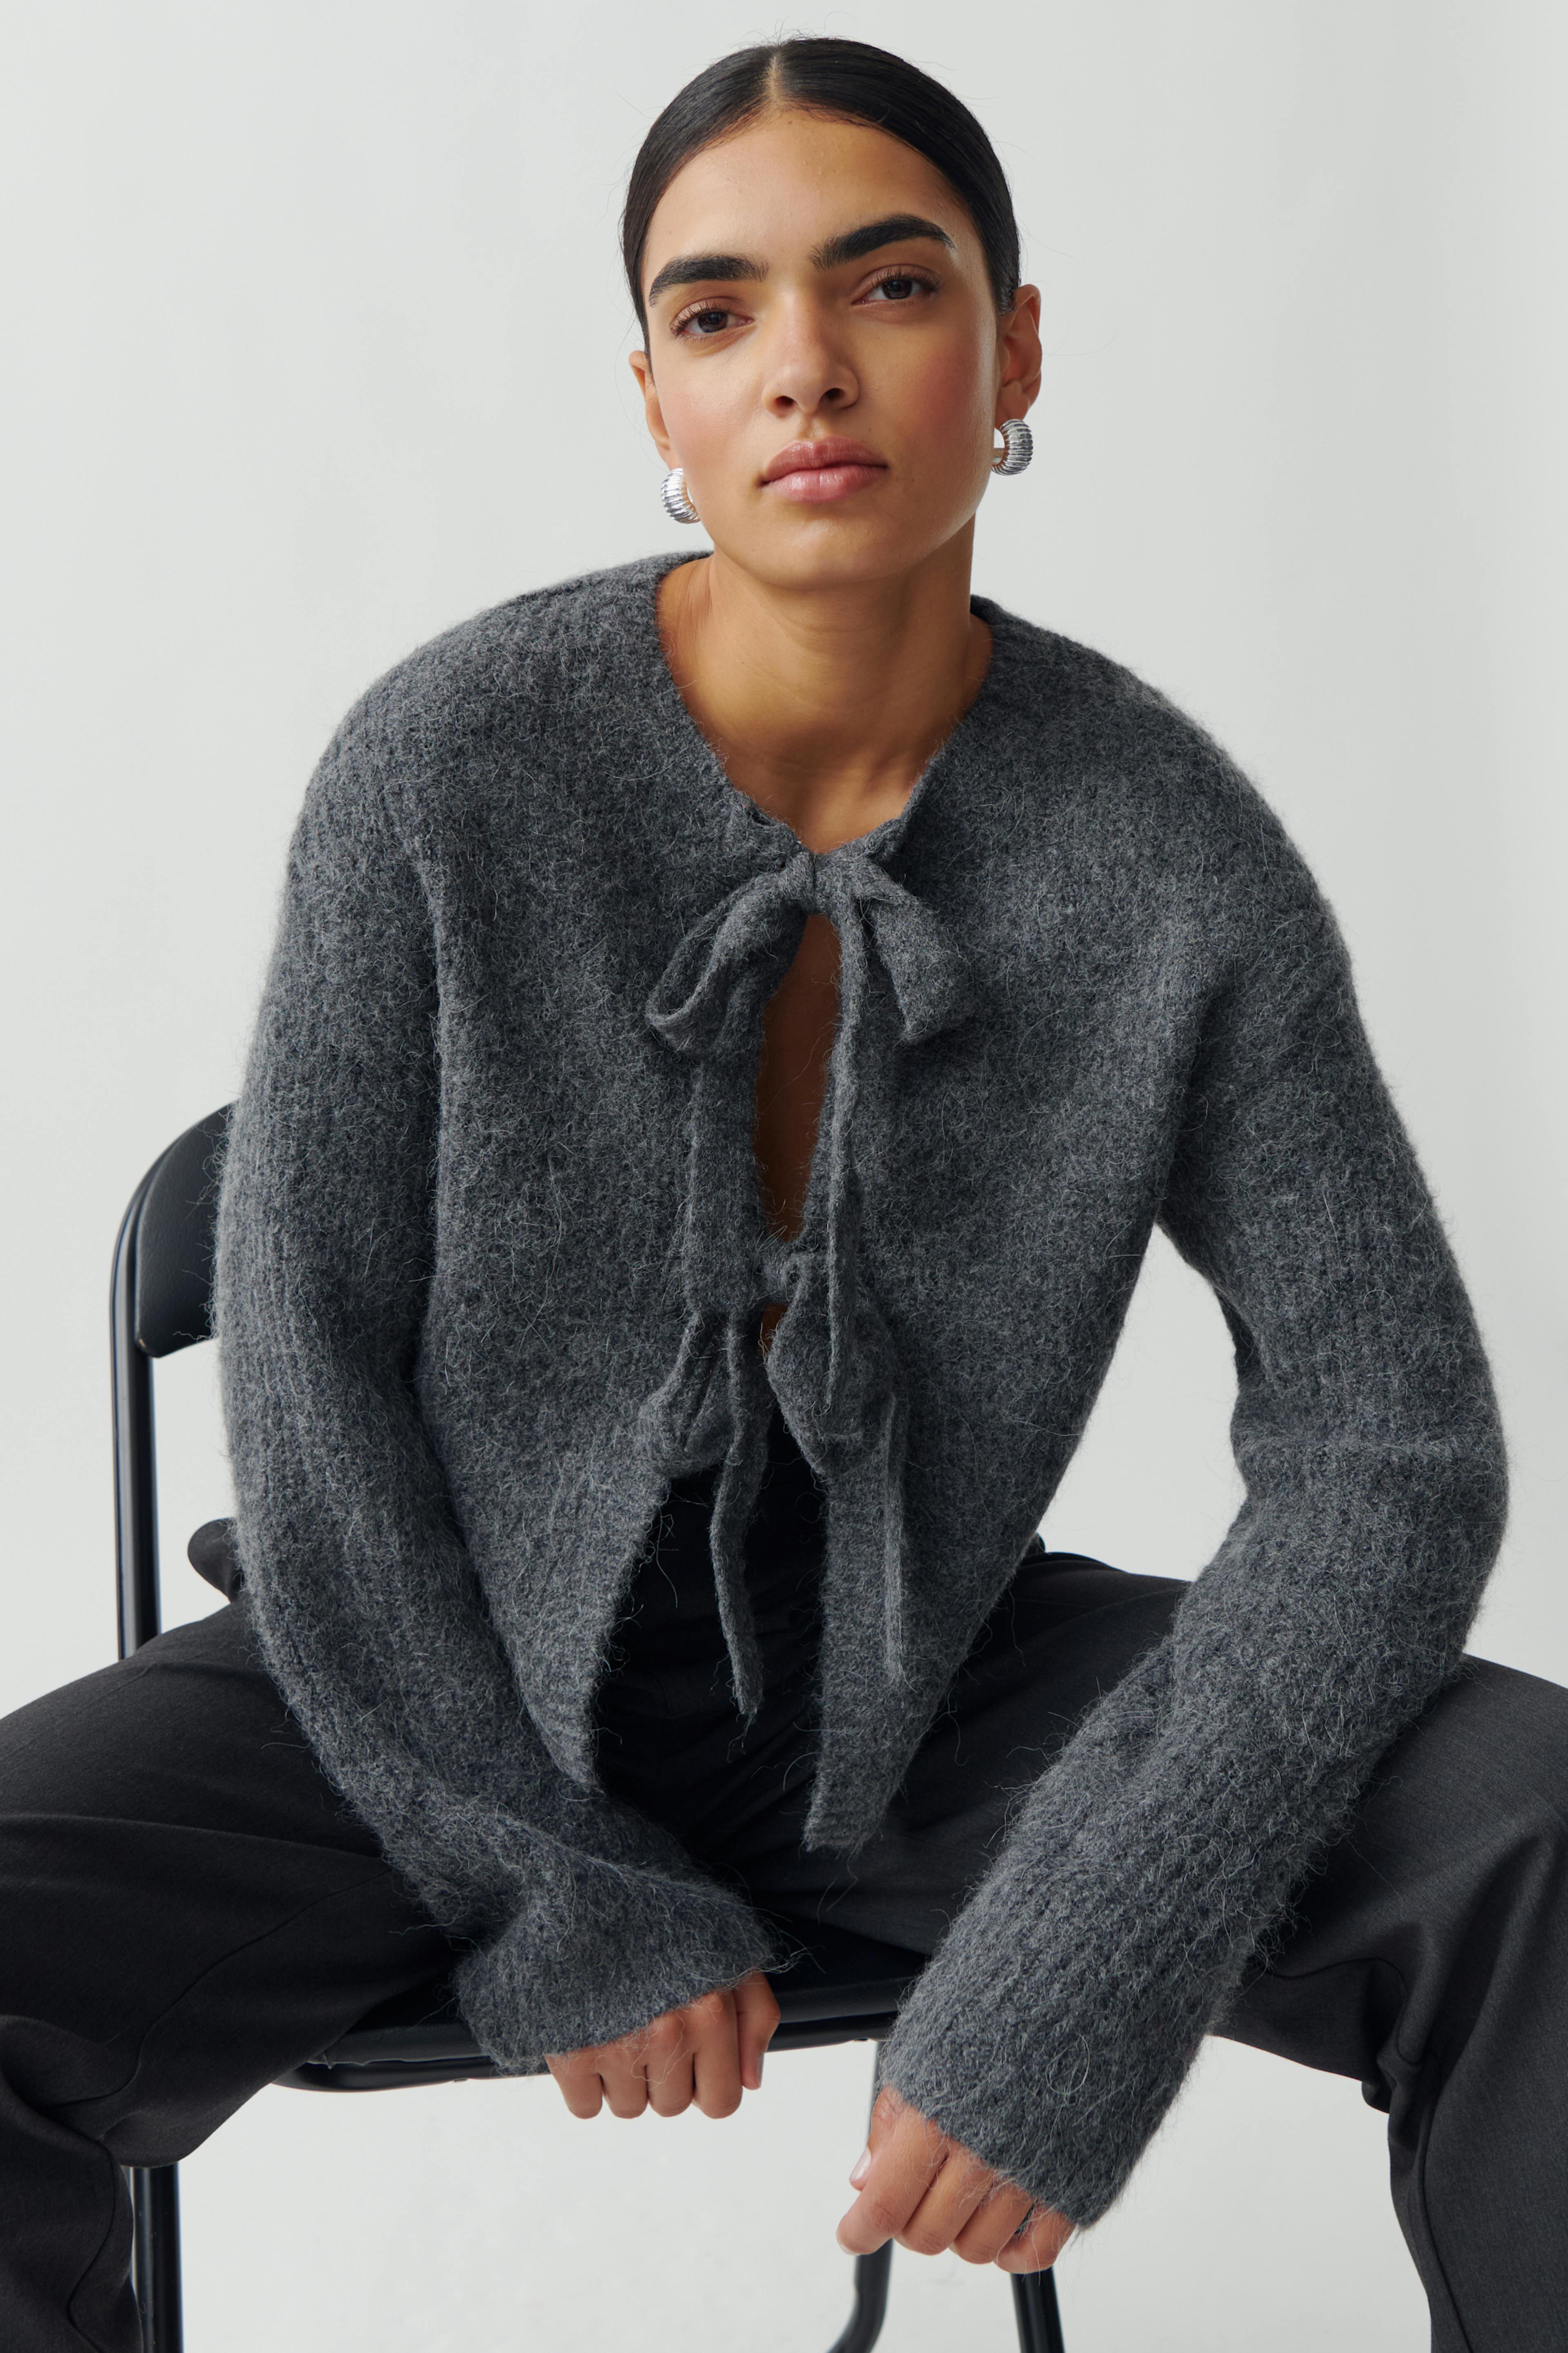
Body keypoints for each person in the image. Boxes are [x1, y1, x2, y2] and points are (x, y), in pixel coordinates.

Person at [1, 35, 1562, 2353]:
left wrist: (1088, 1955)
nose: (805, 367)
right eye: (718, 312)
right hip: (419, 1670)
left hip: (925, 1675)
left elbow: (1392, 1445)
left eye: (893, 285)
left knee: (1538, 1831)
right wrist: (540, 1868)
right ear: (654, 391)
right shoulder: (448, 764)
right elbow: (308, 1370)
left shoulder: (1166, 848)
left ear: (1015, 352)